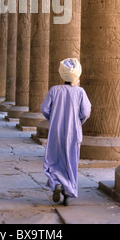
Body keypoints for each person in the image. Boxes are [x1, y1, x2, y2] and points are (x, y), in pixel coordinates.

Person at [40, 58, 91, 206]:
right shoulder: (80, 92)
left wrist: (53, 118)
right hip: (73, 131)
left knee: (54, 159)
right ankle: (68, 192)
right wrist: (78, 121)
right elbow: (86, 111)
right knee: (70, 160)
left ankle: (56, 183)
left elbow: (44, 108)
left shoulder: (54, 90)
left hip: (56, 129)